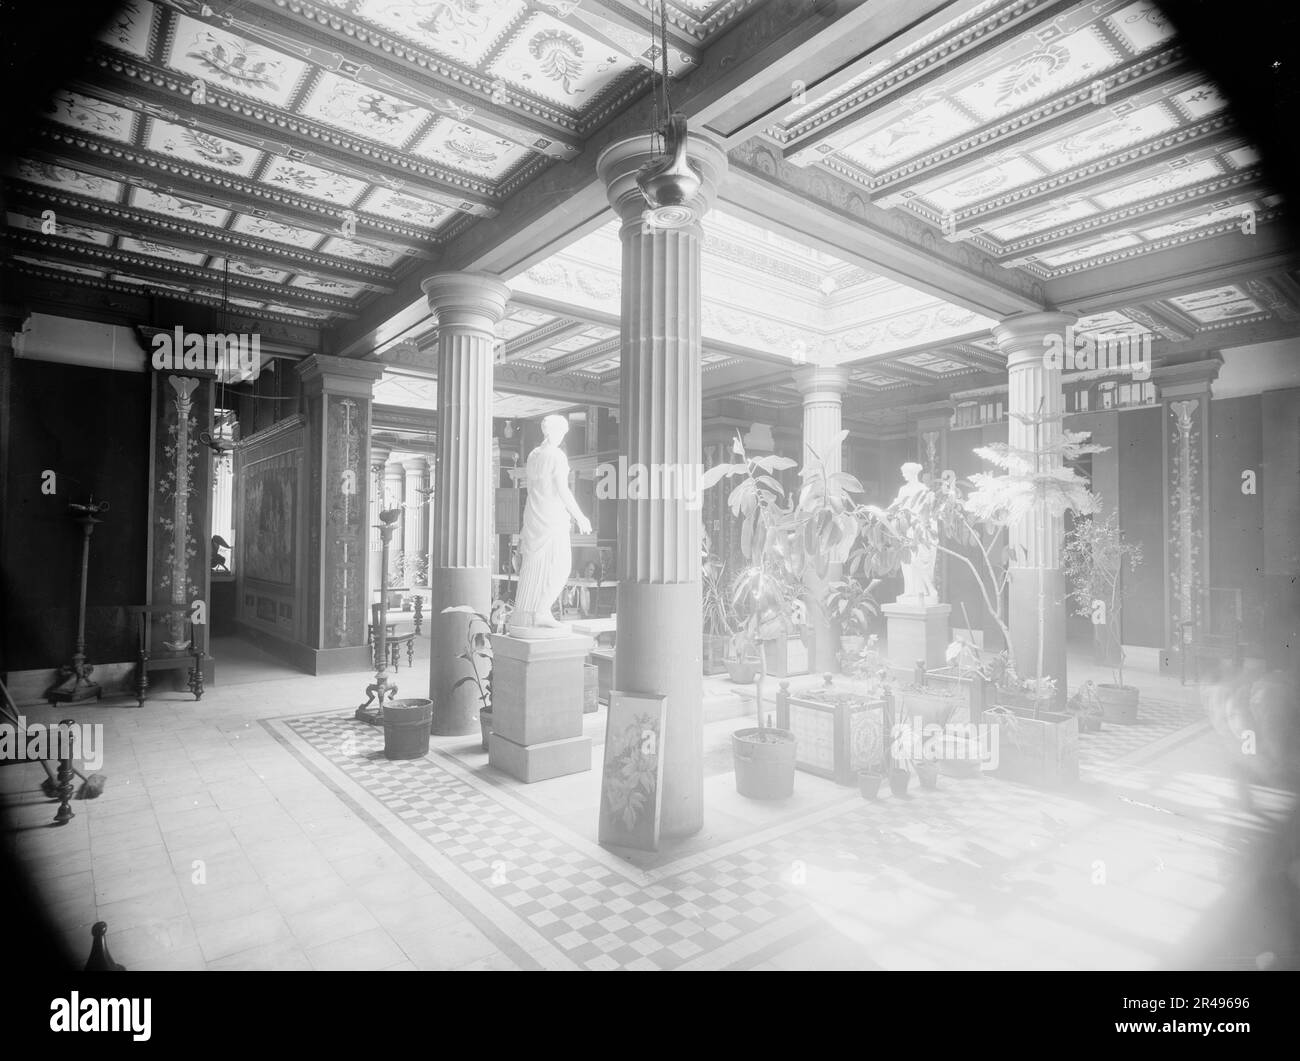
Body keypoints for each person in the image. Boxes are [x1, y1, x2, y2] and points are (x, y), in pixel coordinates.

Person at [509, 415, 591, 635]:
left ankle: (529, 613)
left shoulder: (533, 455)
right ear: (553, 431)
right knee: (561, 566)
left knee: (536, 566)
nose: (563, 436)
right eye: (562, 432)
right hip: (552, 517)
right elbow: (563, 490)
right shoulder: (557, 456)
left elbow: (532, 489)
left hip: (535, 515)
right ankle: (541, 611)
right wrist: (580, 516)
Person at [893, 462, 938, 605]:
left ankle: (925, 589)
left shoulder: (923, 489)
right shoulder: (903, 489)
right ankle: (910, 590)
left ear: (912, 473)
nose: (903, 475)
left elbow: (928, 510)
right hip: (906, 528)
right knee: (907, 560)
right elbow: (897, 506)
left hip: (919, 528)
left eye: (905, 472)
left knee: (917, 559)